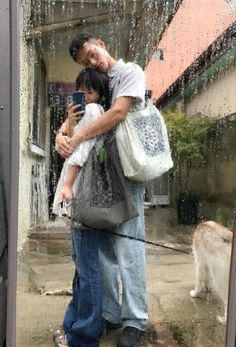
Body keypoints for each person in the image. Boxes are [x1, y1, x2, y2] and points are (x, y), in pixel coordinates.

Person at [56, 32, 148, 347]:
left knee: (129, 245)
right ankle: (110, 313)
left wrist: (78, 138)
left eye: (91, 53)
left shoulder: (129, 73)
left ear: (102, 44)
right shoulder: (93, 83)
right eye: (84, 61)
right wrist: (63, 131)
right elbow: (78, 123)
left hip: (127, 173)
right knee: (105, 250)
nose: (91, 61)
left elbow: (118, 113)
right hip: (100, 176)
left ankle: (135, 319)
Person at [53, 67, 110, 347]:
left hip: (80, 196)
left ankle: (84, 337)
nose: (85, 96)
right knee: (83, 269)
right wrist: (68, 121)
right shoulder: (85, 113)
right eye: (81, 90)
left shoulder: (95, 111)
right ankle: (72, 327)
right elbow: (68, 144)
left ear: (99, 93)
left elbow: (83, 152)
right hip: (79, 200)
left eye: (90, 91)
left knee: (87, 271)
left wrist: (67, 185)